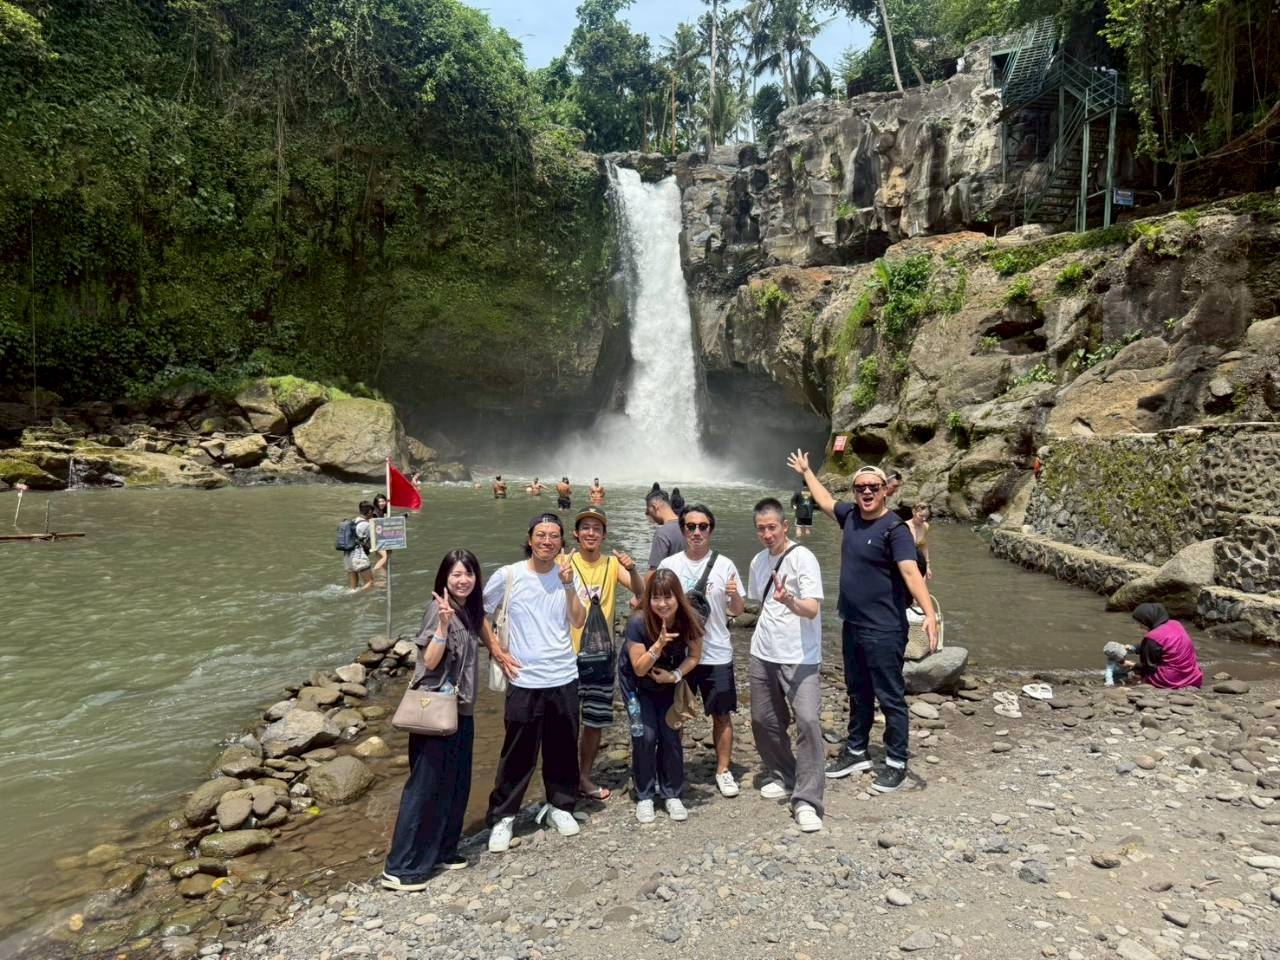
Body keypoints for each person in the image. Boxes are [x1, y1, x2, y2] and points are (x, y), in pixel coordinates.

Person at [787, 452, 937, 794]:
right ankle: (857, 751)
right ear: (855, 492)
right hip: (852, 623)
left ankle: (897, 761)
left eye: (873, 487)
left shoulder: (895, 529)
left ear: (885, 491)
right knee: (857, 691)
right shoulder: (851, 516)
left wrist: (929, 613)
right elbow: (825, 501)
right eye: (860, 488)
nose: (866, 492)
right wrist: (808, 472)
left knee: (890, 695)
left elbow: (911, 572)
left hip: (885, 628)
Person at [382, 550, 510, 890]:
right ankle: (401, 866)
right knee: (424, 787)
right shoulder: (437, 610)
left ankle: (442, 849)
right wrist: (441, 625)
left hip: (461, 710)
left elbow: (484, 629)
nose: (463, 580)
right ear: (444, 579)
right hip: (435, 709)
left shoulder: (468, 611)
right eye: (456, 574)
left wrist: (498, 649)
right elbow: (430, 659)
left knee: (455, 784)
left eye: (468, 573)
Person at [483, 513, 587, 852]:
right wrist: (497, 650)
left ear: (562, 542)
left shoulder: (569, 574)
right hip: (523, 677)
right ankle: (503, 816)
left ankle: (560, 806)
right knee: (517, 751)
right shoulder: (509, 575)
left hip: (564, 674)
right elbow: (478, 613)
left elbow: (579, 619)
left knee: (563, 747)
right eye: (541, 535)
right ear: (530, 539)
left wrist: (570, 583)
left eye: (554, 536)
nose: (547, 541)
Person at [746, 498, 825, 832]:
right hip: (763, 651)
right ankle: (783, 774)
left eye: (772, 527)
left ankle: (807, 800)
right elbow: (752, 606)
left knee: (807, 721)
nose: (767, 534)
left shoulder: (802, 557)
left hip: (801, 655)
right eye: (761, 528)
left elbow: (812, 608)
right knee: (763, 721)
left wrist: (789, 600)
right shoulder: (758, 562)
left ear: (785, 526)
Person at [659, 504, 746, 797]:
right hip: (678, 655)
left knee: (721, 715)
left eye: (703, 526)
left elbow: (737, 610)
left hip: (717, 653)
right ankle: (673, 770)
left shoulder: (726, 565)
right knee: (676, 715)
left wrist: (734, 597)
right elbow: (655, 608)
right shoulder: (668, 565)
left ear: (711, 530)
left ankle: (723, 771)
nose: (696, 532)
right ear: (682, 530)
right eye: (691, 526)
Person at [568, 506, 644, 800]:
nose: (590, 532)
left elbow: (640, 591)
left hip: (601, 656)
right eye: (585, 527)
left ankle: (584, 778)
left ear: (603, 535)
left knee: (595, 720)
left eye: (596, 528)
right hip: (565, 655)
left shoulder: (612, 565)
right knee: (566, 722)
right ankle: (563, 780)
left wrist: (633, 568)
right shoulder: (563, 562)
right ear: (576, 533)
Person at [620, 569, 704, 823]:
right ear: (648, 599)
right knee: (644, 735)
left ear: (678, 597)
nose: (662, 604)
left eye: (668, 597)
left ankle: (671, 793)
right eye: (656, 598)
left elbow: (695, 656)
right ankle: (645, 795)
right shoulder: (637, 622)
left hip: (669, 684)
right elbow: (639, 667)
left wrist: (675, 676)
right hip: (636, 685)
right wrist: (658, 644)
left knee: (670, 736)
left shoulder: (689, 620)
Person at [1122, 604, 1204, 690]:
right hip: (1193, 677)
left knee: (1134, 675)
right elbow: (1160, 645)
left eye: (1141, 623)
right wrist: (1133, 648)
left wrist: (1132, 664)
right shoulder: (1175, 623)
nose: (1140, 626)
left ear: (1148, 620)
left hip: (1171, 681)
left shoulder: (1152, 637)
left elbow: (1148, 667)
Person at [644, 489, 684, 571]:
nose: (648, 515)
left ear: (655, 507)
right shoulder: (689, 526)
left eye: (648, 512)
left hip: (670, 582)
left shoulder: (662, 533)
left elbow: (654, 572)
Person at [341, 501, 377, 591]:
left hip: (347, 556)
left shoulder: (353, 521)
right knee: (370, 582)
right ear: (369, 512)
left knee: (353, 588)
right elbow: (371, 543)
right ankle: (360, 598)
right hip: (358, 556)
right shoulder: (366, 525)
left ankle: (352, 598)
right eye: (372, 512)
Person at [906, 503, 933, 581]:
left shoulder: (925, 526)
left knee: (923, 584)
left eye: (926, 517)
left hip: (920, 562)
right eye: (921, 516)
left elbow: (923, 545)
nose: (924, 519)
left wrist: (927, 566)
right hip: (907, 562)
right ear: (913, 512)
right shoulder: (905, 526)